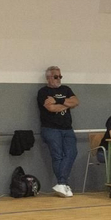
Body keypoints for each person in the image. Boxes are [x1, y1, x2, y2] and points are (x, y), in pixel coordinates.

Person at [36, 67, 79, 197]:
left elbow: (76, 101)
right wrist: (67, 104)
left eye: (60, 76)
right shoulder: (43, 92)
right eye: (56, 76)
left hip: (67, 128)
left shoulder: (66, 89)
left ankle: (61, 183)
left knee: (72, 153)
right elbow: (51, 108)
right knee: (57, 156)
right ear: (48, 78)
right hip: (50, 129)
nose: (59, 79)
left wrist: (58, 100)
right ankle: (63, 183)